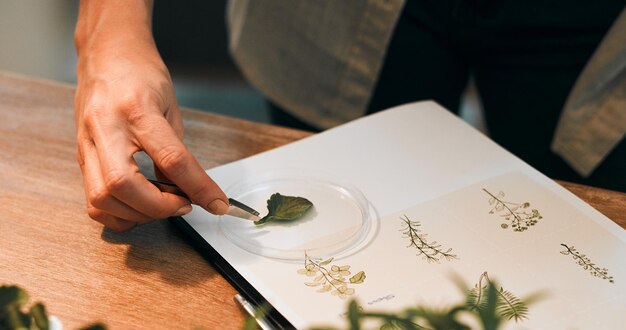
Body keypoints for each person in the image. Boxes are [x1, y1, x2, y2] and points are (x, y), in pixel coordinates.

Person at [74, 0, 626, 232]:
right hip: (341, 15)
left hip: (598, 33)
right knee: (344, 231)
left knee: (579, 226)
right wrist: (110, 29)